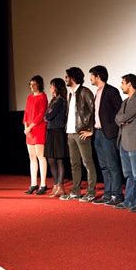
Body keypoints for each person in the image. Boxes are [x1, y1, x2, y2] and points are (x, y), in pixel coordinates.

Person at [59, 67, 98, 202]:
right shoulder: (70, 94)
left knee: (87, 162)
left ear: (73, 78)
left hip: (81, 133)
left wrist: (91, 130)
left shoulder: (85, 92)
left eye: (67, 76)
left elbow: (94, 110)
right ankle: (75, 191)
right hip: (70, 133)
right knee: (74, 164)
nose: (65, 78)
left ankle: (91, 192)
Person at [88, 65, 124, 206]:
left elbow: (119, 111)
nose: (90, 78)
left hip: (108, 134)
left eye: (91, 75)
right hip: (98, 133)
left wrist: (112, 128)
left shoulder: (111, 91)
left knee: (112, 165)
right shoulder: (97, 92)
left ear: (98, 76)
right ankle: (108, 194)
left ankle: (117, 195)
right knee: (103, 166)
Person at [114, 74, 136, 213]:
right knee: (128, 174)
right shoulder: (125, 101)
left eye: (122, 82)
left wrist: (123, 119)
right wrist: (123, 119)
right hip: (123, 141)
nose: (121, 85)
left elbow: (125, 117)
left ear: (130, 84)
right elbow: (117, 118)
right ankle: (129, 200)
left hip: (135, 141)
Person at [23, 75, 48, 195]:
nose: (32, 86)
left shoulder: (43, 96)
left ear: (39, 85)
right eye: (30, 84)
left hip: (38, 128)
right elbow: (26, 113)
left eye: (34, 84)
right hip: (29, 130)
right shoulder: (29, 97)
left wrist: (30, 127)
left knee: (40, 156)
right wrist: (26, 128)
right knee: (32, 157)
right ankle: (33, 184)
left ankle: (43, 184)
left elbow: (41, 114)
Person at [44, 78, 68, 197]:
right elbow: (46, 115)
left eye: (52, 85)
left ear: (57, 87)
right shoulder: (53, 100)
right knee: (51, 159)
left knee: (59, 159)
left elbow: (49, 115)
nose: (50, 87)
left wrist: (48, 115)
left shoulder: (60, 100)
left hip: (58, 131)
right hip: (50, 131)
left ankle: (60, 186)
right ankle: (55, 185)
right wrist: (47, 115)